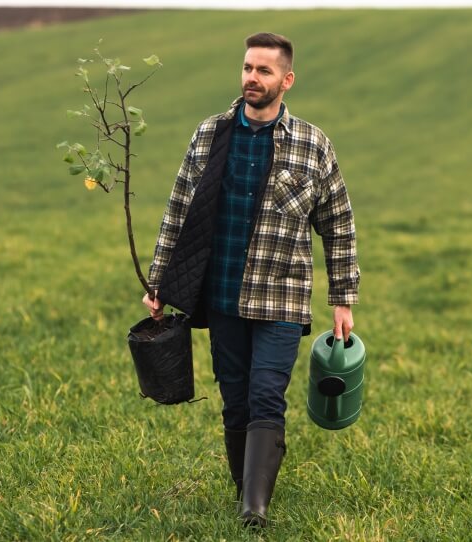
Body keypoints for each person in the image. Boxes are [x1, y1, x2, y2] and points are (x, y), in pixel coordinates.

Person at [142, 32, 359, 528]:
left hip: (282, 295)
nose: (251, 78)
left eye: (263, 70)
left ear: (287, 80)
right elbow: (177, 210)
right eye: (246, 68)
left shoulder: (312, 144)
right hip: (221, 294)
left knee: (266, 393)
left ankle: (255, 508)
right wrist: (160, 282)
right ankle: (246, 491)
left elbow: (339, 223)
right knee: (234, 395)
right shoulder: (210, 133)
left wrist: (342, 297)